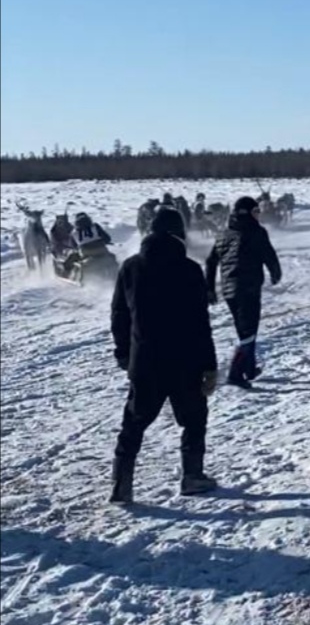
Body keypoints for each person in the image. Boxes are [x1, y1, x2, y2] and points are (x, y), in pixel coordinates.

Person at [110, 208, 218, 503]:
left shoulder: (130, 268)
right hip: (186, 364)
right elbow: (200, 323)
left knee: (133, 424)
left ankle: (121, 485)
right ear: (179, 234)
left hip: (145, 362)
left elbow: (119, 315)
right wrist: (210, 366)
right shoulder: (190, 269)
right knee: (194, 420)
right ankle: (192, 477)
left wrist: (124, 354)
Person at [205, 196, 282, 389]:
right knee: (248, 332)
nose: (258, 216)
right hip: (248, 287)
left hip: (229, 290)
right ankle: (236, 374)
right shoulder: (256, 231)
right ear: (246, 213)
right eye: (256, 212)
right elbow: (268, 254)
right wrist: (275, 272)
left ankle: (249, 369)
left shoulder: (223, 234)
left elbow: (210, 261)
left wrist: (210, 288)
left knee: (244, 329)